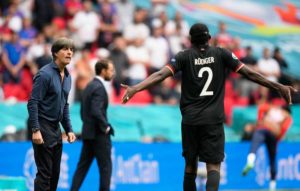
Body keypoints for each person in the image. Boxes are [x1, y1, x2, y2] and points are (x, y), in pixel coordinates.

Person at [121, 23, 297, 191]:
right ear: (210, 38)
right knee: (213, 166)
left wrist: (136, 88)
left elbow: (160, 74)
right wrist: (278, 86)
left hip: (190, 120)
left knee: (190, 167)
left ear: (190, 39)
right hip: (213, 120)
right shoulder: (222, 54)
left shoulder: (183, 56)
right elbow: (249, 73)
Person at [27, 37, 76, 191]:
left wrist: (68, 129)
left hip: (56, 129)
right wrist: (35, 129)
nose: (69, 52)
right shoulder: (44, 74)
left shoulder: (68, 77)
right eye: (65, 49)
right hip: (42, 126)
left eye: (71, 50)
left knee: (55, 174)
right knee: (45, 173)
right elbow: (33, 102)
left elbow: (64, 105)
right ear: (55, 53)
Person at [71, 59, 115, 191]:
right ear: (103, 71)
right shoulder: (99, 88)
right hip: (100, 135)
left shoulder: (88, 86)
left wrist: (87, 126)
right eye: (111, 70)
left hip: (88, 134)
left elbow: (83, 112)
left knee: (81, 168)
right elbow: (96, 110)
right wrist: (106, 126)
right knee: (105, 168)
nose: (113, 73)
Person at [242, 103, 293, 191]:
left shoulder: (272, 108)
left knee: (254, 145)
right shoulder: (288, 117)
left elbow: (261, 107)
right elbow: (281, 132)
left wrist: (260, 120)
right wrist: (276, 134)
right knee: (272, 159)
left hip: (262, 129)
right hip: (273, 135)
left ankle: (250, 161)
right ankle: (272, 185)